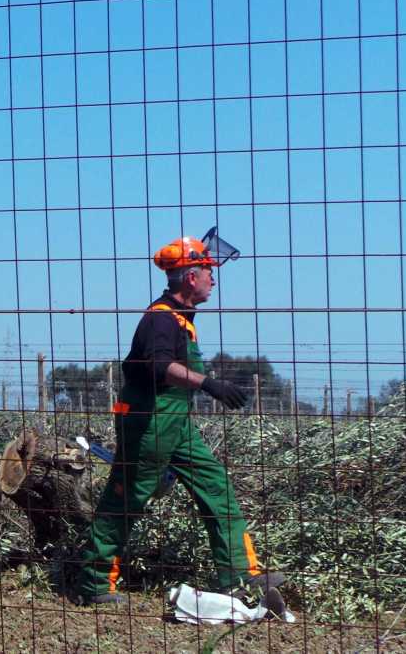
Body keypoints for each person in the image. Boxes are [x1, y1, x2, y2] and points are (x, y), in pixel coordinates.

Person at [76, 228, 286, 614]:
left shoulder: (181, 318)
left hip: (175, 422)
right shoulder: (160, 320)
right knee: (127, 498)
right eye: (209, 272)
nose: (213, 280)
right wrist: (209, 384)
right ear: (191, 277)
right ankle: (94, 581)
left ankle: (241, 575)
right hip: (149, 421)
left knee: (215, 484)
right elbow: (160, 366)